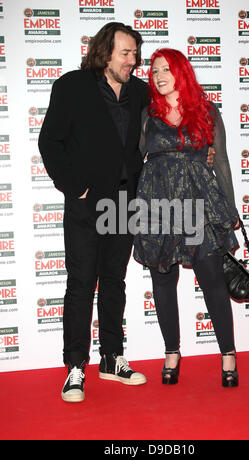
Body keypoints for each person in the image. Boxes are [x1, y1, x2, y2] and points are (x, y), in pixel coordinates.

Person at [38, 22, 150, 403]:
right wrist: (75, 187)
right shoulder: (72, 86)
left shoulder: (139, 92)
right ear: (105, 52)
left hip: (124, 203)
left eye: (135, 53)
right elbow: (50, 141)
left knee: (114, 281)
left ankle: (111, 358)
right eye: (126, 53)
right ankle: (74, 366)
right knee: (82, 284)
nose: (133, 61)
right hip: (88, 204)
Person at [133, 48, 240, 388]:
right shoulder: (148, 113)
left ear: (182, 72)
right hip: (157, 202)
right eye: (154, 71)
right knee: (163, 281)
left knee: (212, 280)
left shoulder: (207, 111)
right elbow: (138, 159)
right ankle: (171, 352)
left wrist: (231, 208)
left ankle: (228, 354)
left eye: (166, 69)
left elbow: (220, 160)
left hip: (199, 204)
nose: (159, 76)